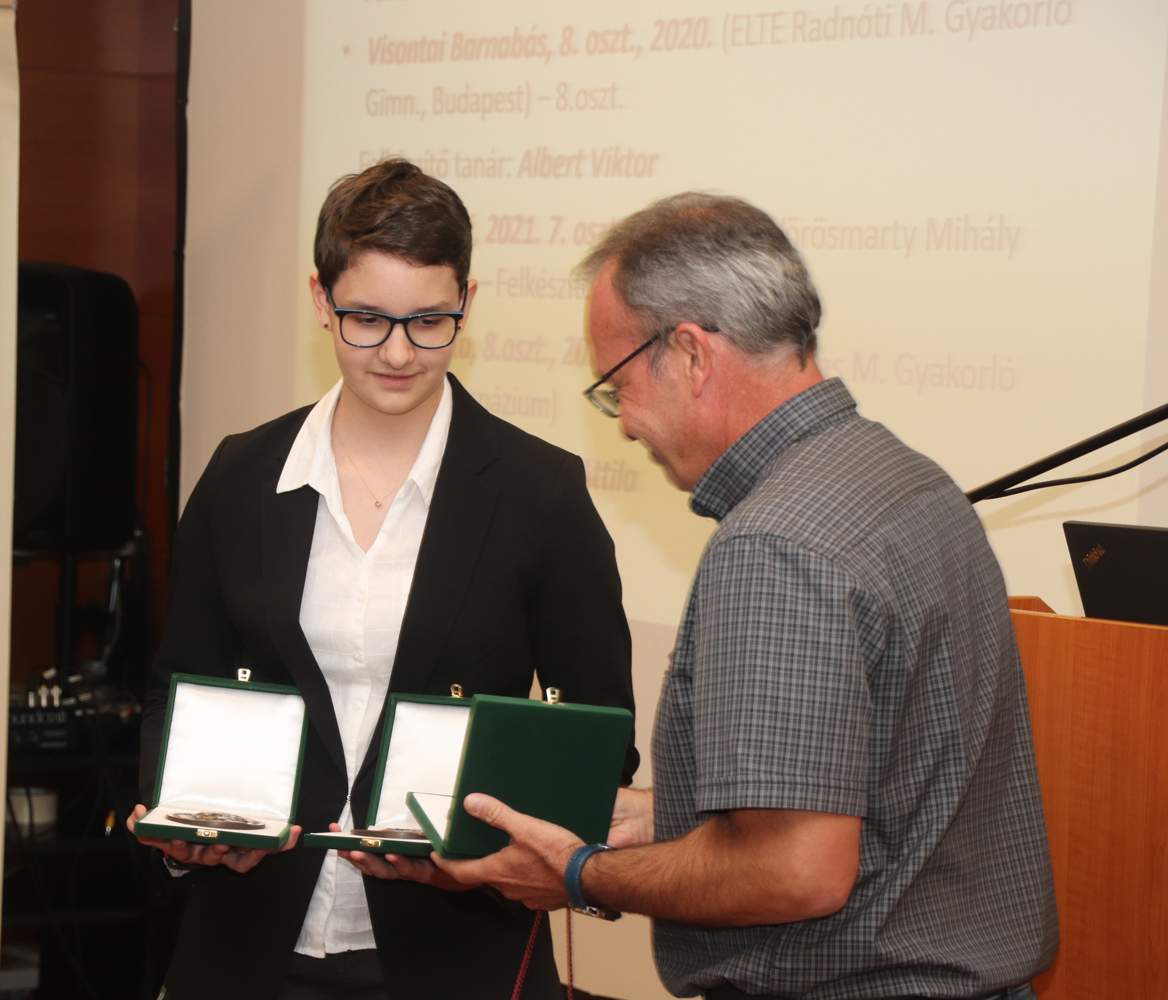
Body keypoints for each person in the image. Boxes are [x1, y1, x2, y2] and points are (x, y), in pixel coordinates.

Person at [428, 193, 1059, 1000]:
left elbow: (794, 872)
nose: (622, 425)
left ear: (691, 354)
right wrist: (666, 816)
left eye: (617, 385)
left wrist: (580, 872)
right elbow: (883, 791)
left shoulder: (774, 543)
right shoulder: (908, 480)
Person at [127, 158, 637, 1000]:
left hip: (459, 953)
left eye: (429, 321)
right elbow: (174, 688)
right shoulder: (242, 475)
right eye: (366, 319)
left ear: (468, 301)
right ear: (320, 300)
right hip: (247, 943)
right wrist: (182, 822)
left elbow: (594, 735)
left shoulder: (539, 492)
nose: (398, 352)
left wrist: (501, 852)